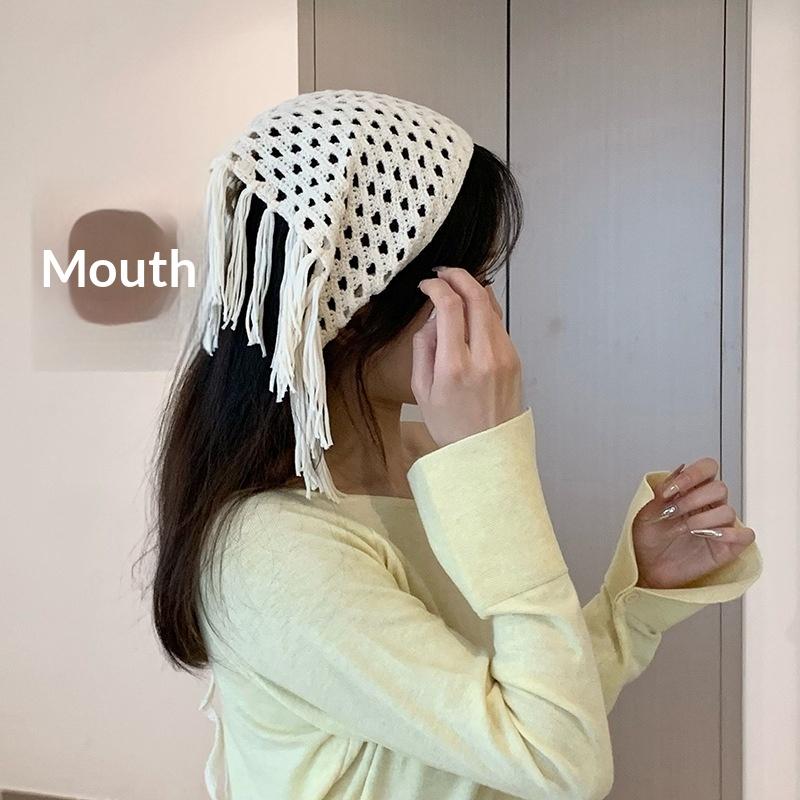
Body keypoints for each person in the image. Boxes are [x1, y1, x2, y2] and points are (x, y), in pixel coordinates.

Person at [145, 90, 762, 799]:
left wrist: (634, 601)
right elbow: (558, 764)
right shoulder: (274, 547)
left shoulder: (430, 460)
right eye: (470, 280)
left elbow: (521, 722)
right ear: (359, 303)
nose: (488, 310)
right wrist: (491, 455)